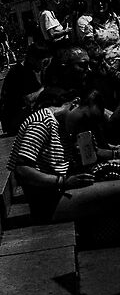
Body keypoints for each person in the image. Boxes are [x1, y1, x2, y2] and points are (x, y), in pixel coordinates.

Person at [9, 68, 120, 224]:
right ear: (75, 104)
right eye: (84, 118)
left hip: (58, 194)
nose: (85, 125)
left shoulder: (64, 128)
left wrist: (87, 153)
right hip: (49, 203)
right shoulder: (42, 123)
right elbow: (22, 169)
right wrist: (62, 181)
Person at [0, 46, 49, 138]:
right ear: (32, 59)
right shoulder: (19, 72)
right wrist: (46, 87)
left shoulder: (34, 70)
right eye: (43, 62)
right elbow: (29, 99)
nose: (44, 66)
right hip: (15, 120)